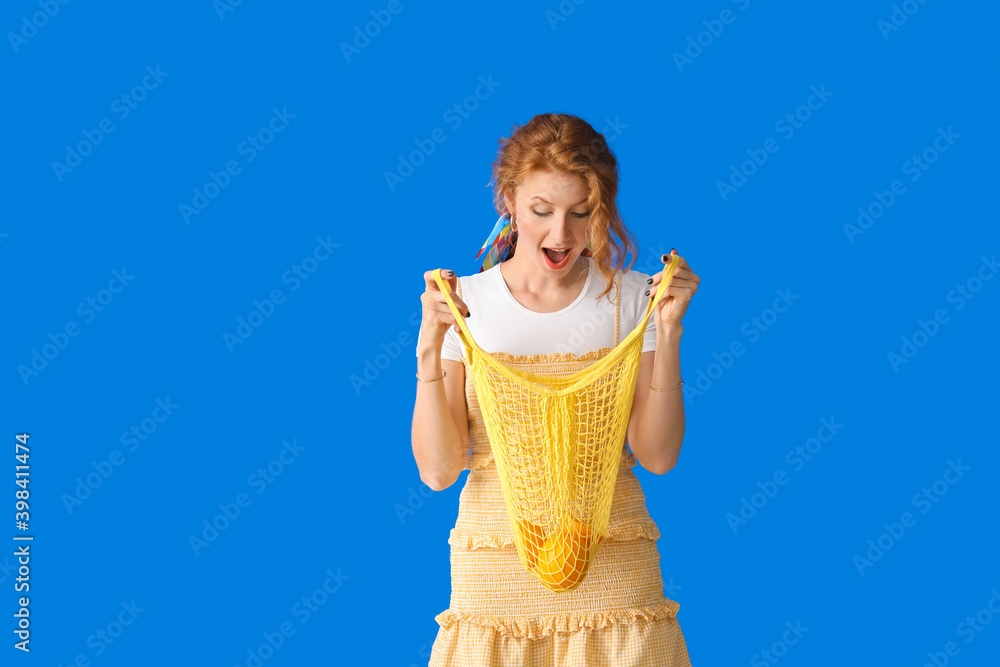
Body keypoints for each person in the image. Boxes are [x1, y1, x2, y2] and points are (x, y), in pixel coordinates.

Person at [411, 112, 701, 666]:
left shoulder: (634, 299)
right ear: (509, 203)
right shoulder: (463, 305)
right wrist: (429, 346)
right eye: (541, 211)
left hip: (616, 581)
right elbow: (439, 471)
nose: (561, 235)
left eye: (581, 213)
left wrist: (668, 332)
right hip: (495, 590)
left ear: (603, 209)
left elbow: (658, 457)